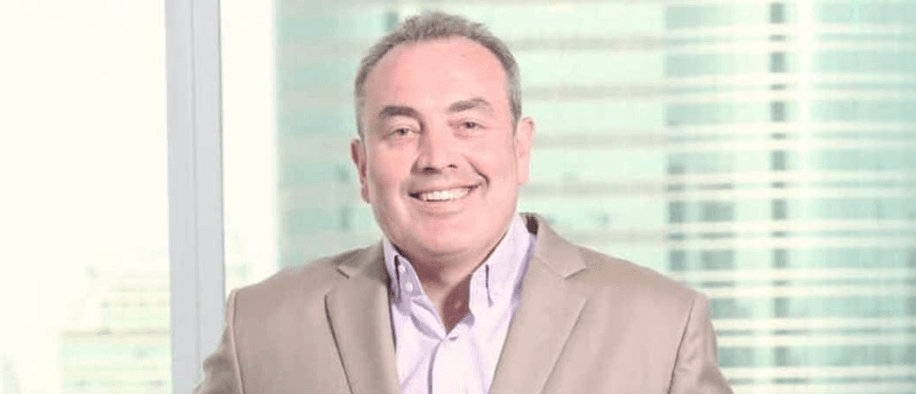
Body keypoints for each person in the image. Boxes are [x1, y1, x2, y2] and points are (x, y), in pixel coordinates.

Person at [196, 12, 733, 394]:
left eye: (468, 125)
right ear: (362, 167)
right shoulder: (262, 327)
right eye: (403, 130)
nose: (437, 157)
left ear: (521, 148)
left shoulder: (661, 326)